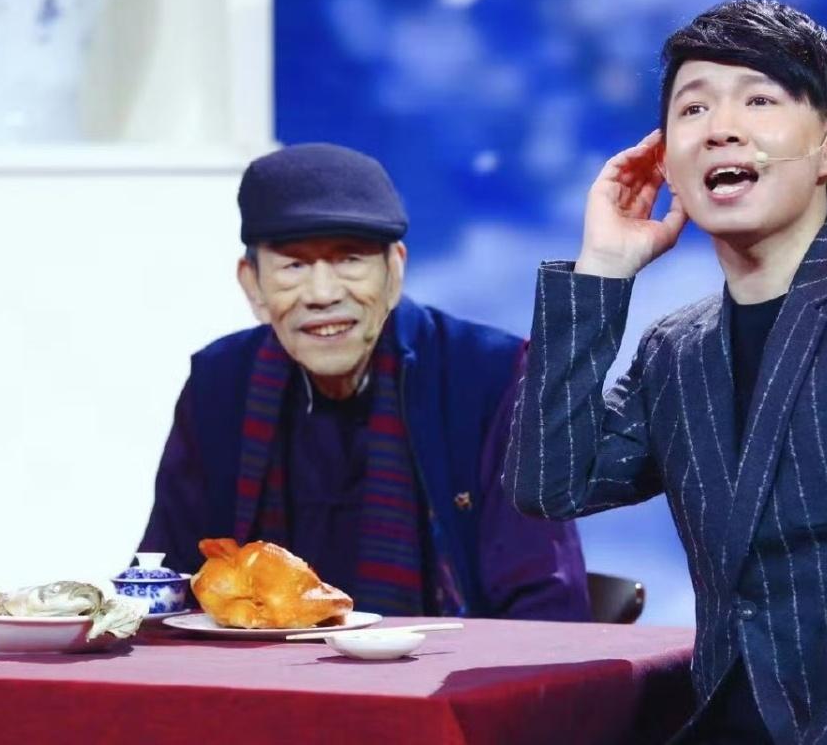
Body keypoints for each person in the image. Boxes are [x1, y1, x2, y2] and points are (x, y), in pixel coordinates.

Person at [504, 0, 827, 742]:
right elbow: (551, 484)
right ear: (668, 162)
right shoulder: (675, 348)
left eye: (758, 100)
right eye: (693, 108)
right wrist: (602, 271)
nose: (721, 127)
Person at [140, 142, 589, 620]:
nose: (323, 294)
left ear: (395, 271)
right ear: (253, 285)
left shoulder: (489, 377)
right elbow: (168, 579)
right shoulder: (220, 383)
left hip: (443, 663)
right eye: (293, 265)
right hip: (256, 665)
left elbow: (546, 605)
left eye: (349, 259)